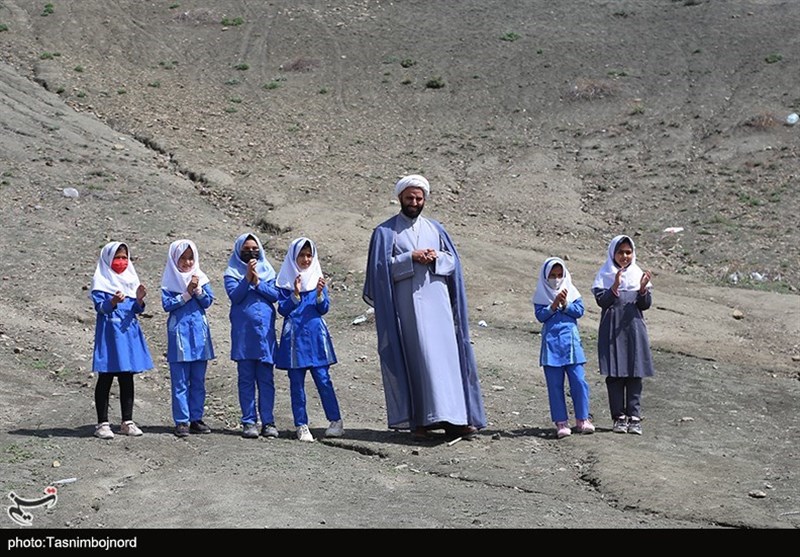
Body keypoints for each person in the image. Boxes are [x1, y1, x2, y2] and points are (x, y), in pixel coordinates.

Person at [363, 174, 487, 440]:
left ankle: (456, 420)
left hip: (438, 306)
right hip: (408, 310)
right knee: (418, 358)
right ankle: (420, 421)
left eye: (419, 198)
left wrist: (436, 258)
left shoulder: (436, 229)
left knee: (447, 359)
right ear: (400, 198)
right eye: (410, 197)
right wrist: (411, 258)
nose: (414, 202)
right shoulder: (385, 232)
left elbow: (453, 264)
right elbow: (379, 270)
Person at [274, 237, 343, 442]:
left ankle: (335, 421)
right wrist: (295, 293)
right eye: (301, 255)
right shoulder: (285, 281)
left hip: (315, 336)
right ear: (293, 257)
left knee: (323, 380)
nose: (305, 259)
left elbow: (323, 309)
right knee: (296, 383)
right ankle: (302, 425)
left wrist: (320, 294)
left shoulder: (317, 279)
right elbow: (283, 309)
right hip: (294, 339)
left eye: (308, 255)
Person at [90, 241, 154, 439]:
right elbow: (100, 308)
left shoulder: (130, 280)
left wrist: (140, 300)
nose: (121, 262)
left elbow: (136, 309)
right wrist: (112, 302)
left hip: (128, 334)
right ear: (108, 259)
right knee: (106, 376)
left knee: (127, 376)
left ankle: (127, 421)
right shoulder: (102, 281)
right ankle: (102, 423)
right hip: (110, 334)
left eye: (124, 257)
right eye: (117, 258)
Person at [591, 235, 654, 435]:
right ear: (612, 253)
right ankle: (618, 417)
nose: (625, 256)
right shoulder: (605, 274)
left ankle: (634, 417)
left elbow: (645, 305)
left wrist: (642, 289)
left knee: (635, 373)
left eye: (628, 252)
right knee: (616, 374)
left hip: (634, 330)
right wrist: (615, 285)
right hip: (612, 330)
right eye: (620, 252)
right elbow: (602, 302)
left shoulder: (637, 274)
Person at [224, 232, 280, 439]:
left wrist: (257, 282)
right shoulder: (231, 273)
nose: (251, 252)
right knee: (246, 379)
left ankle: (268, 421)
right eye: (246, 250)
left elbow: (275, 295)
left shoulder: (268, 271)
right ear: (239, 252)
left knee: (266, 379)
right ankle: (249, 421)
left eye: (254, 249)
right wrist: (246, 278)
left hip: (265, 335)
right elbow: (235, 296)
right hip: (244, 336)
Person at [532, 257, 594, 439]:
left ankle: (582, 419)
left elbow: (579, 311)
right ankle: (561, 422)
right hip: (551, 346)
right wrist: (552, 306)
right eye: (552, 275)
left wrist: (565, 304)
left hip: (571, 345)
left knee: (579, 381)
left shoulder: (572, 292)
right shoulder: (541, 296)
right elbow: (540, 316)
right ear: (545, 276)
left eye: (559, 275)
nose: (556, 279)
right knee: (555, 385)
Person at [161, 239, 215, 438]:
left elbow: (208, 301)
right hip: (179, 338)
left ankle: (196, 418)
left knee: (198, 380)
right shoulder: (169, 281)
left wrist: (198, 290)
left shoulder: (201, 278)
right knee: (180, 380)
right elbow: (167, 305)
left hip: (199, 337)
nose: (187, 262)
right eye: (182, 258)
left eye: (190, 258)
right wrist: (186, 294)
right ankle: (182, 420)